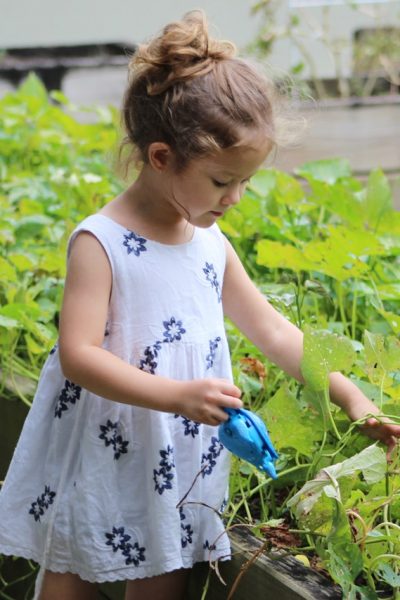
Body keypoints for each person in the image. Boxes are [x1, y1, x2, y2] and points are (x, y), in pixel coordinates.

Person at [0, 10, 399, 600]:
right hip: (108, 447)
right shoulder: (102, 242)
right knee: (74, 570)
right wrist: (177, 396)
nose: (235, 198)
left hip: (178, 458)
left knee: (165, 574)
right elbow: (78, 354)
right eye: (221, 182)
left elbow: (275, 333)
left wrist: (351, 397)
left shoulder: (209, 245)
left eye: (244, 182)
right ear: (161, 157)